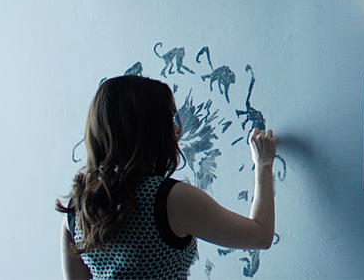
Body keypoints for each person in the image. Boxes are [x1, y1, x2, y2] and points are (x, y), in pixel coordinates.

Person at [57, 75, 278, 279]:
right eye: (169, 117)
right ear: (149, 127)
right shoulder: (168, 199)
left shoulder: (78, 209)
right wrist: (264, 165)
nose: (177, 129)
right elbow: (260, 236)